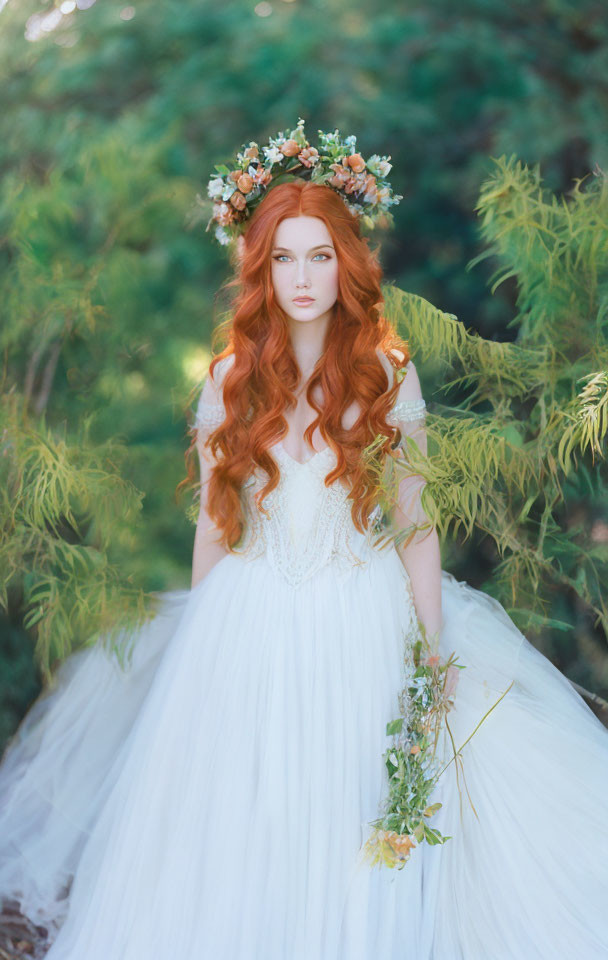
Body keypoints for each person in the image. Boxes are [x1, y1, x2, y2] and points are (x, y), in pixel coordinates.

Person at [1, 123, 608, 960]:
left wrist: (433, 652)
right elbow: (217, 529)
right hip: (248, 618)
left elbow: (416, 526)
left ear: (347, 262)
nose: (302, 277)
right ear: (259, 269)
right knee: (250, 813)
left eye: (320, 255)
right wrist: (197, 647)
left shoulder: (388, 373)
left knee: (357, 804)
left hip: (363, 612)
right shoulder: (228, 381)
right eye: (283, 258)